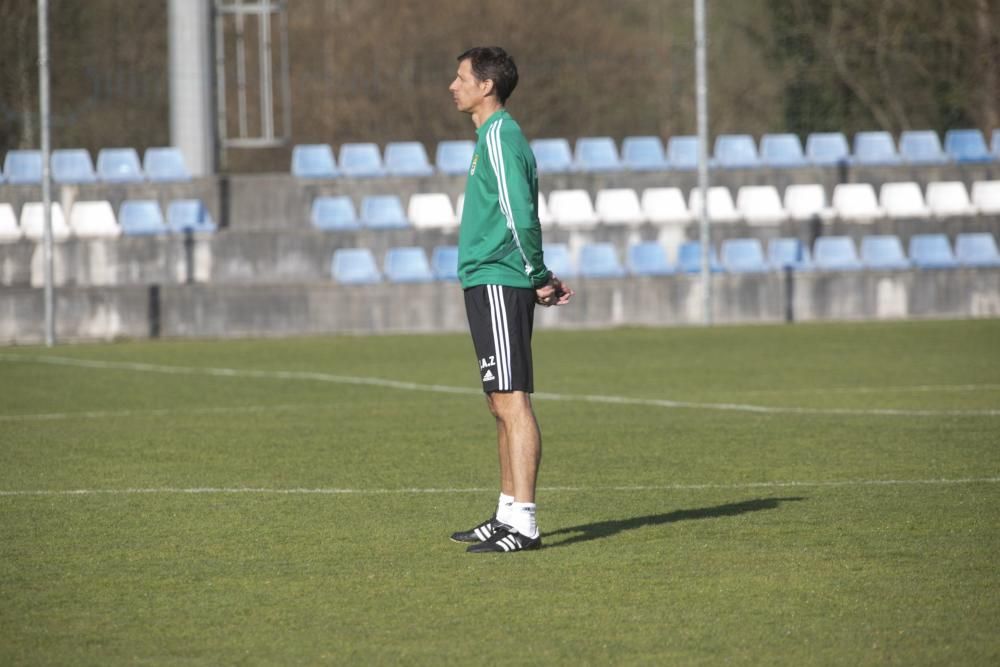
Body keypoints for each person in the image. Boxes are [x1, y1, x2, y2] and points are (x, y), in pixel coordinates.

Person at [446, 46, 574, 554]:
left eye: (460, 78)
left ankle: (525, 522)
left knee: (513, 400)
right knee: (499, 400)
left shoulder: (500, 135)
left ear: (486, 87)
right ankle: (506, 513)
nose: (452, 86)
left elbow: (520, 215)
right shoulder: (488, 137)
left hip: (500, 280)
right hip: (488, 279)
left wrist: (537, 274)